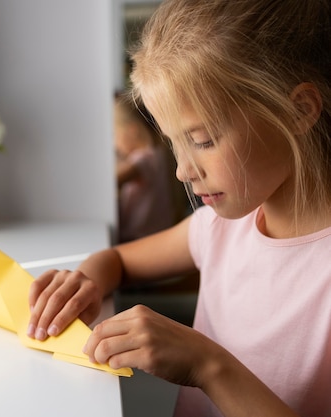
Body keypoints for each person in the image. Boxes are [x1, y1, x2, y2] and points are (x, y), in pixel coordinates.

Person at [27, 0, 331, 416]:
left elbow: (208, 366)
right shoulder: (219, 228)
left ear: (298, 111)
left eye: (203, 140)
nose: (182, 171)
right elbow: (116, 260)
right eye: (173, 143)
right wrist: (87, 282)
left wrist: (207, 365)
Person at [113, 92, 179, 242]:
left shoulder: (144, 160)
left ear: (132, 131)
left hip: (141, 237)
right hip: (156, 232)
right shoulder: (159, 152)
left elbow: (114, 180)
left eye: (114, 134)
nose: (114, 144)